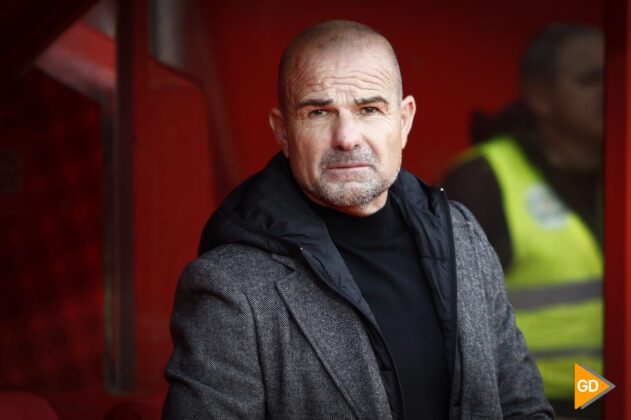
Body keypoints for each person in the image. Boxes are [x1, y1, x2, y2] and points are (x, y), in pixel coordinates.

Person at [163, 20, 553, 419]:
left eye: (369, 109)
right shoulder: (230, 286)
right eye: (318, 112)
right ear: (283, 132)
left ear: (404, 121)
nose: (346, 137)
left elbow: (522, 405)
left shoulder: (462, 235)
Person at [441, 24, 603, 418]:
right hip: (535, 405)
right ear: (540, 95)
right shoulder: (482, 180)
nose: (611, 92)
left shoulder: (618, 173)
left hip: (605, 397)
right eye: (590, 80)